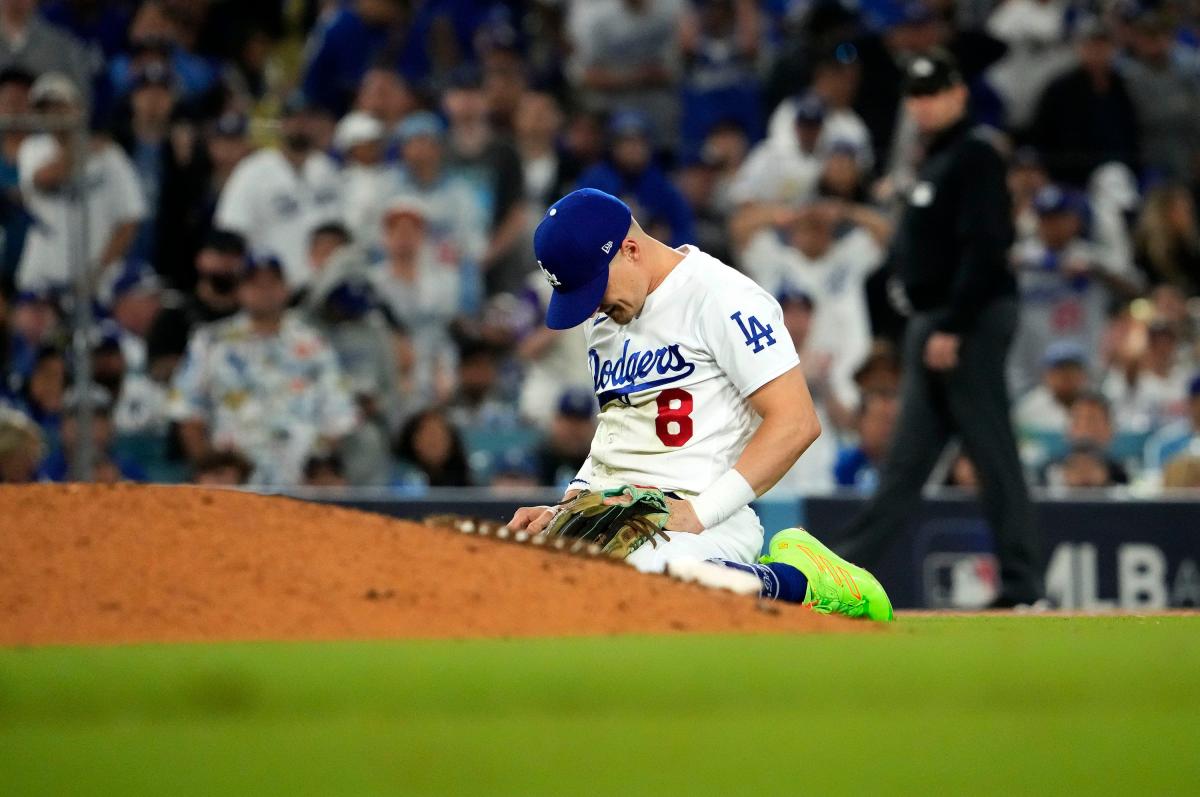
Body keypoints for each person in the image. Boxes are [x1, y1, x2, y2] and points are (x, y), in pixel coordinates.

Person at [507, 188, 892, 621]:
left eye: (594, 288)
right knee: (514, 576)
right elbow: (618, 429)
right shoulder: (607, 316)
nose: (592, 304)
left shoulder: (722, 297)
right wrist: (568, 507)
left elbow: (796, 422)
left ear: (630, 249)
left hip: (702, 518)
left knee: (638, 586)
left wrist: (697, 513)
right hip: (616, 510)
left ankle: (800, 579)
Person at [835, 51, 1043, 609]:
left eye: (934, 93)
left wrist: (952, 324)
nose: (924, 104)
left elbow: (987, 246)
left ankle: (1025, 587)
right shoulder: (936, 159)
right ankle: (838, 578)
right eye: (916, 95)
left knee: (991, 452)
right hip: (935, 324)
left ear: (958, 95)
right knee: (905, 463)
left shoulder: (975, 155)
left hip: (965, 322)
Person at [168, 254, 357, 486]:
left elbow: (338, 417)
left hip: (299, 481)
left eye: (272, 283)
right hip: (234, 480)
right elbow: (187, 412)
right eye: (255, 284)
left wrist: (319, 471)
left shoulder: (314, 344)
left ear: (286, 289)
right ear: (240, 290)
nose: (264, 291)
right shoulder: (211, 341)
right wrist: (210, 470)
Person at [16, 73, 146, 293]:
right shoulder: (32, 148)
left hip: (95, 280)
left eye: (60, 106)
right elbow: (45, 179)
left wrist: (99, 270)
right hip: (42, 276)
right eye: (46, 109)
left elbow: (130, 218)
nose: (54, 114)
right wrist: (82, 147)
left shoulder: (110, 155)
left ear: (79, 108)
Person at [214, 94, 343, 287]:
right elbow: (231, 231)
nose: (301, 124)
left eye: (308, 118)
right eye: (294, 118)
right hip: (274, 288)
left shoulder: (327, 169)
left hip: (327, 287)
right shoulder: (253, 171)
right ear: (281, 124)